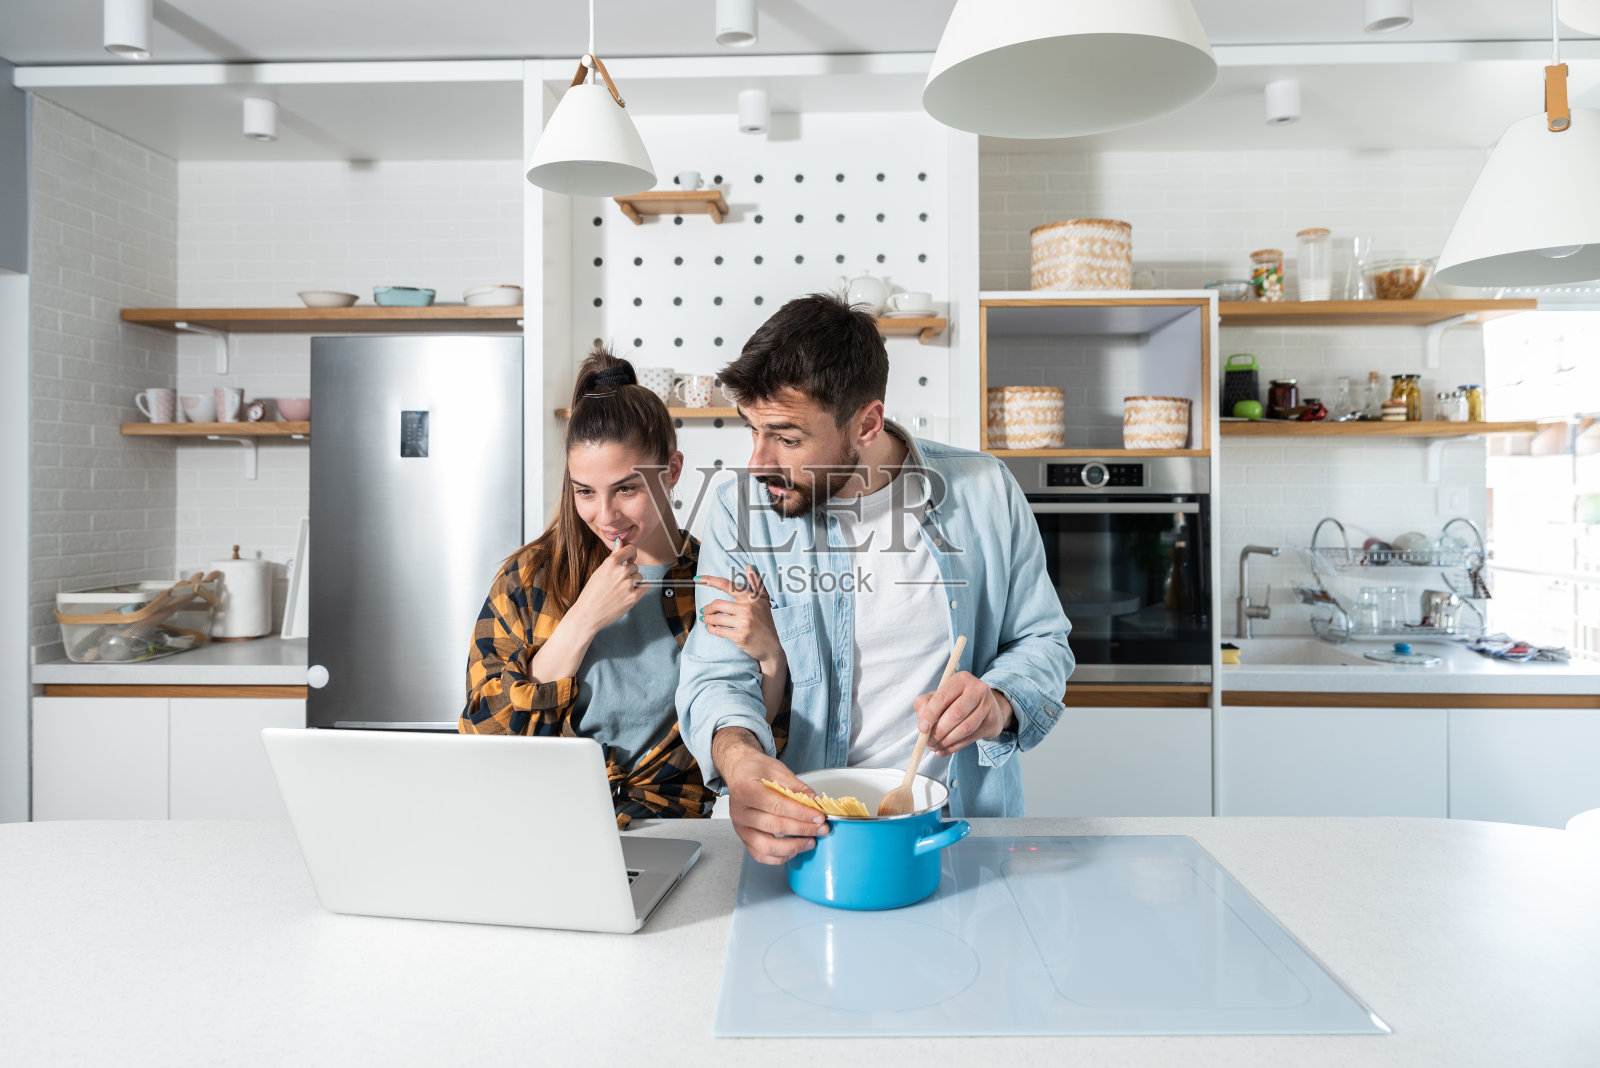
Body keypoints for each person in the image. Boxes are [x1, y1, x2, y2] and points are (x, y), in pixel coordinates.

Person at [677, 293, 1074, 863]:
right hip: (804, 841)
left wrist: (999, 701)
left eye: (788, 439)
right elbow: (716, 675)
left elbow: (1043, 641)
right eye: (752, 429)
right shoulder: (740, 511)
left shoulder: (985, 490)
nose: (759, 461)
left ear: (866, 423)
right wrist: (740, 760)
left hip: (958, 836)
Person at [461, 347, 789, 827]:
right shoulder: (529, 578)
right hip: (546, 824)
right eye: (585, 492)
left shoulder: (714, 576)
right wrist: (582, 619)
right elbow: (482, 734)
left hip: (673, 830)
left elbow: (754, 742)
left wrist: (771, 659)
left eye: (627, 489)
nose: (606, 516)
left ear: (672, 471)